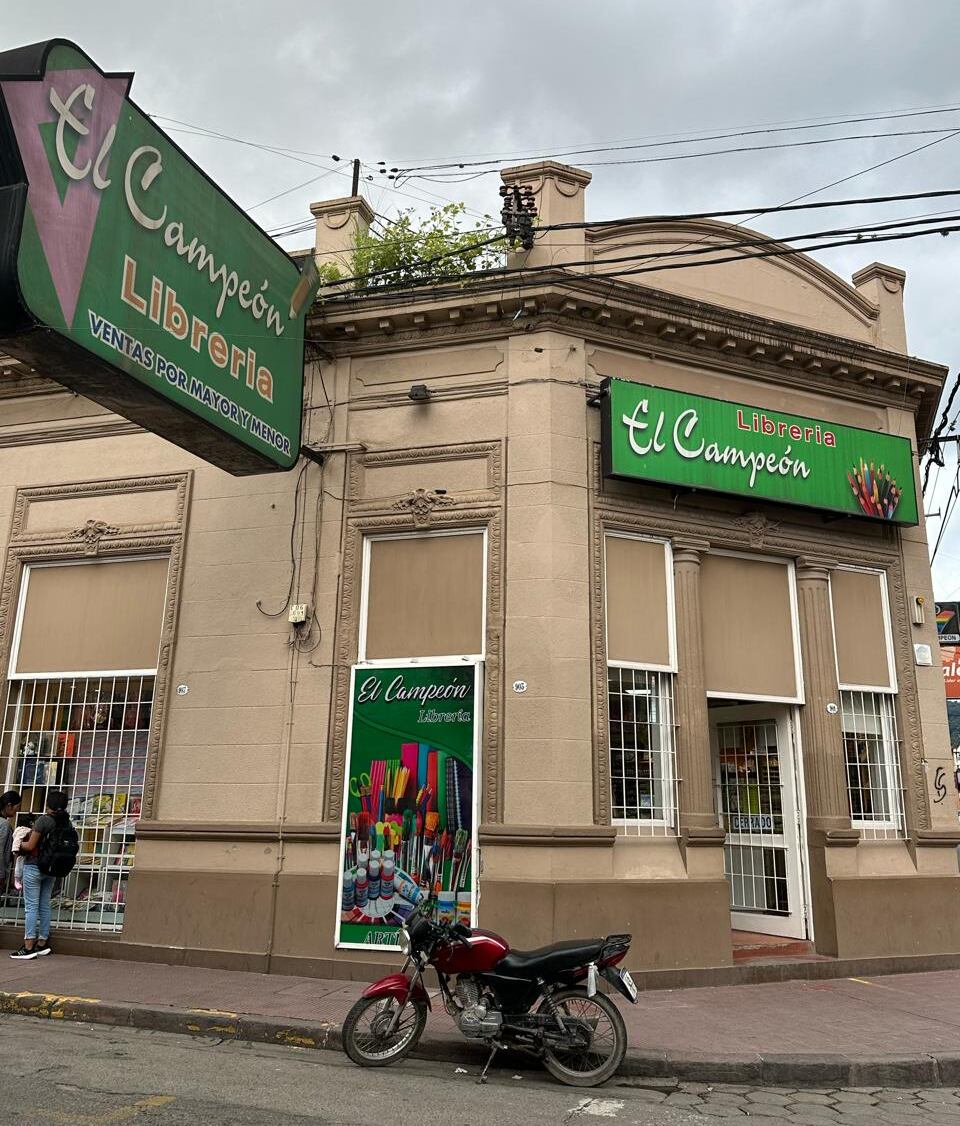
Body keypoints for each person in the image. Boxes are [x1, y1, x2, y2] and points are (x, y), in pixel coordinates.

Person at [10, 789, 69, 960]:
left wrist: (19, 842)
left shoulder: (44, 820)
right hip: (51, 869)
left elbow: (30, 846)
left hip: (34, 867)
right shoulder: (66, 822)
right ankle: (42, 943)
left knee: (31, 907)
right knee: (44, 904)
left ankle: (28, 946)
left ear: (47, 805)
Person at [0, 790, 22, 893]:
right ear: (9, 806)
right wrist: (2, 874)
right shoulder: (4, 825)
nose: (16, 811)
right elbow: (1, 850)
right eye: (16, 807)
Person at [12, 814, 36, 891]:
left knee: (21, 867)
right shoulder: (23, 830)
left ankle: (19, 881)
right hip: (22, 853)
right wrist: (15, 849)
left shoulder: (23, 829)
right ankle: (17, 880)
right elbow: (17, 840)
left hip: (25, 853)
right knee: (19, 867)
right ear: (31, 822)